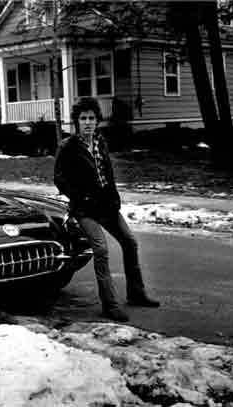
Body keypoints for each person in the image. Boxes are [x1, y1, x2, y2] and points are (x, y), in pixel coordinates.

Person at [54, 97, 159, 322]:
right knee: (101, 250)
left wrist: (114, 197)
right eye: (83, 119)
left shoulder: (100, 142)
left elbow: (107, 174)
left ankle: (136, 293)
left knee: (130, 241)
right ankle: (110, 305)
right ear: (76, 122)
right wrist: (80, 197)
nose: (88, 123)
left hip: (107, 206)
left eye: (92, 118)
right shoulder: (68, 146)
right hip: (85, 209)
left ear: (97, 121)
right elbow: (59, 179)